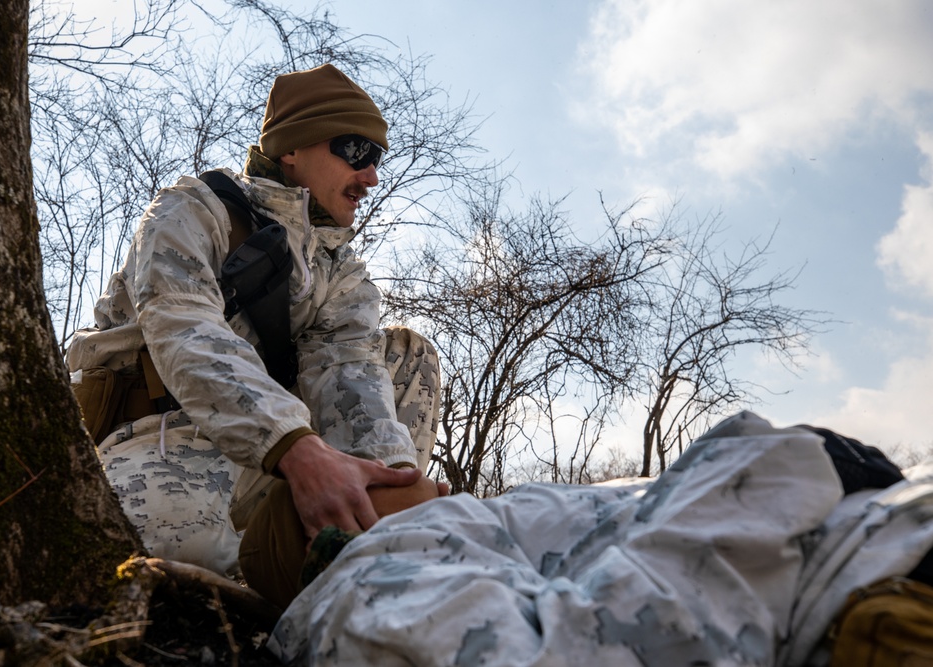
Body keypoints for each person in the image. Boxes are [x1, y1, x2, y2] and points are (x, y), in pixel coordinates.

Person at [66, 64, 441, 583]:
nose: (371, 176)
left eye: (377, 158)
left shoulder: (342, 274)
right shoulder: (194, 211)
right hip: (159, 438)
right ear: (291, 149)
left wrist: (391, 481)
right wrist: (297, 450)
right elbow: (184, 331)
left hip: (281, 458)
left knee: (406, 353)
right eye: (356, 152)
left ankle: (340, 544)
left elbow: (349, 373)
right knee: (160, 561)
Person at [267, 411, 933, 666]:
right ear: (336, 526)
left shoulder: (475, 531)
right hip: (872, 563)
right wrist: (774, 465)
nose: (407, 469)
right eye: (372, 476)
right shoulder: (372, 582)